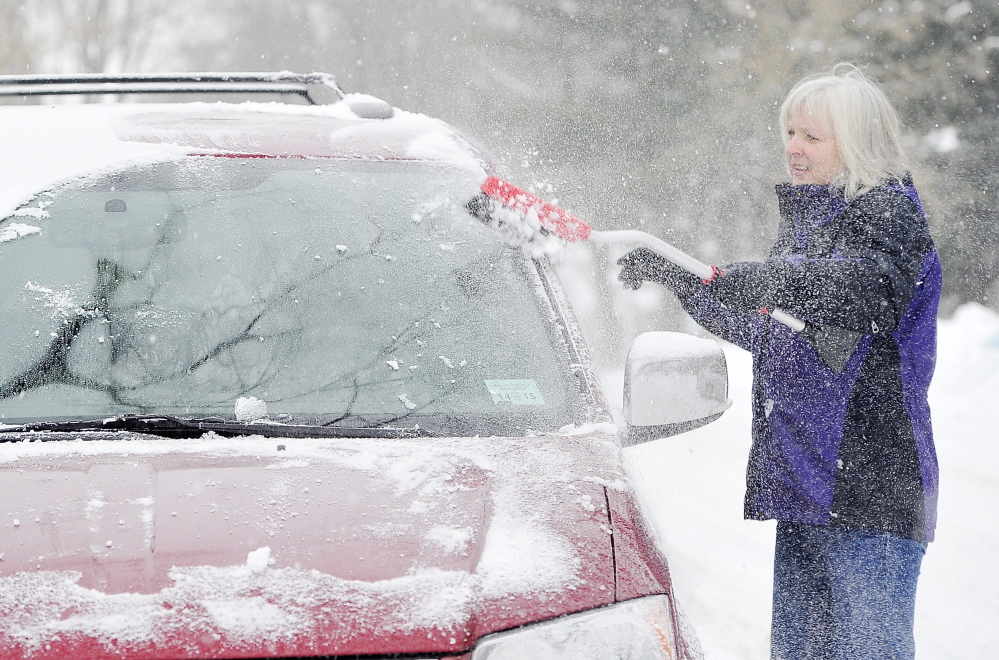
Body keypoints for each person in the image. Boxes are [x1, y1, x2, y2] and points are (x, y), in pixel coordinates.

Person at [617, 63, 940, 660]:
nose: (793, 148)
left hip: (871, 490)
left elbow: (864, 292)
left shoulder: (890, 218)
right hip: (808, 486)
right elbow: (771, 332)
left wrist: (764, 282)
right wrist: (680, 278)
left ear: (858, 144)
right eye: (789, 133)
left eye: (812, 137)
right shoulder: (806, 235)